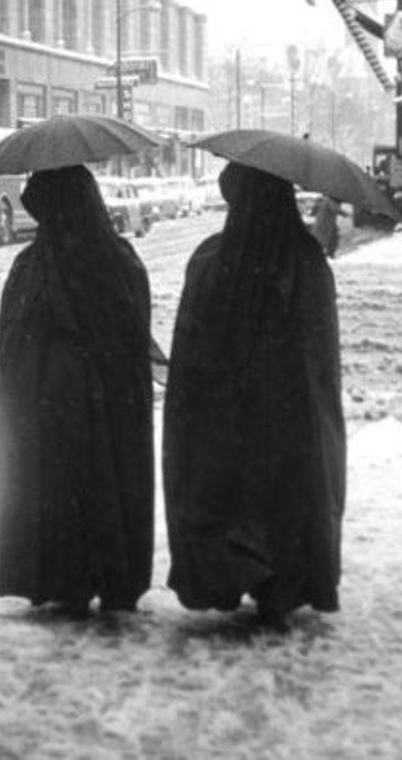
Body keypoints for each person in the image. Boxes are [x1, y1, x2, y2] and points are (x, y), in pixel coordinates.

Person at [163, 164, 346, 628]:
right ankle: (283, 586)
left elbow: (194, 348)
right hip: (292, 422)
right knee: (287, 501)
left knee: (233, 504)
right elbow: (319, 358)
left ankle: (237, 574)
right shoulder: (306, 262)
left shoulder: (212, 261)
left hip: (228, 422)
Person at [0, 165, 155, 616]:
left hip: (48, 404)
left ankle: (62, 577)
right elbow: (137, 326)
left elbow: (12, 348)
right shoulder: (119, 257)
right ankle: (114, 574)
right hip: (110, 402)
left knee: (57, 491)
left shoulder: (32, 265)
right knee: (110, 487)